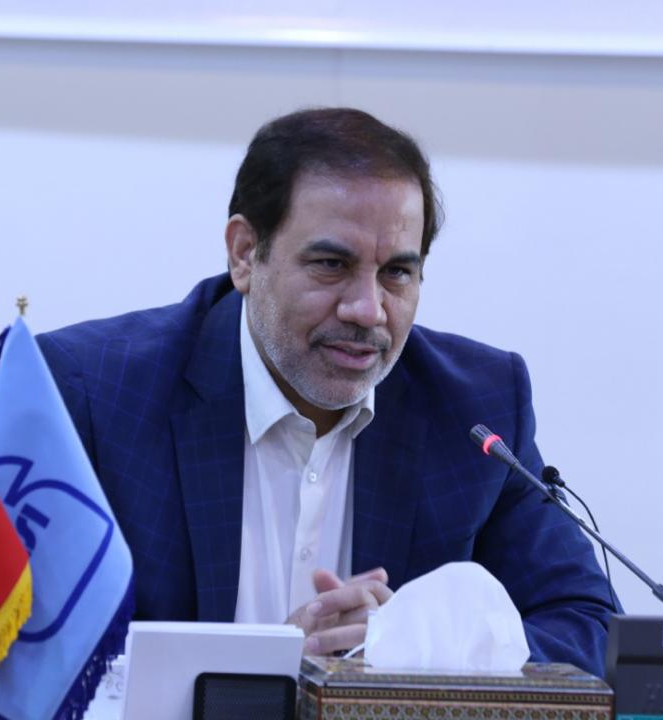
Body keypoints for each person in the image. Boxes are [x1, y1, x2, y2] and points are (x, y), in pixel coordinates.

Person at [35, 107, 618, 676]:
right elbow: (29, 652)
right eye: (331, 264)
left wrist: (419, 645)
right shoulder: (95, 395)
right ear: (245, 254)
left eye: (397, 273)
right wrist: (261, 668)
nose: (367, 310)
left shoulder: (475, 409)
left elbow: (592, 628)